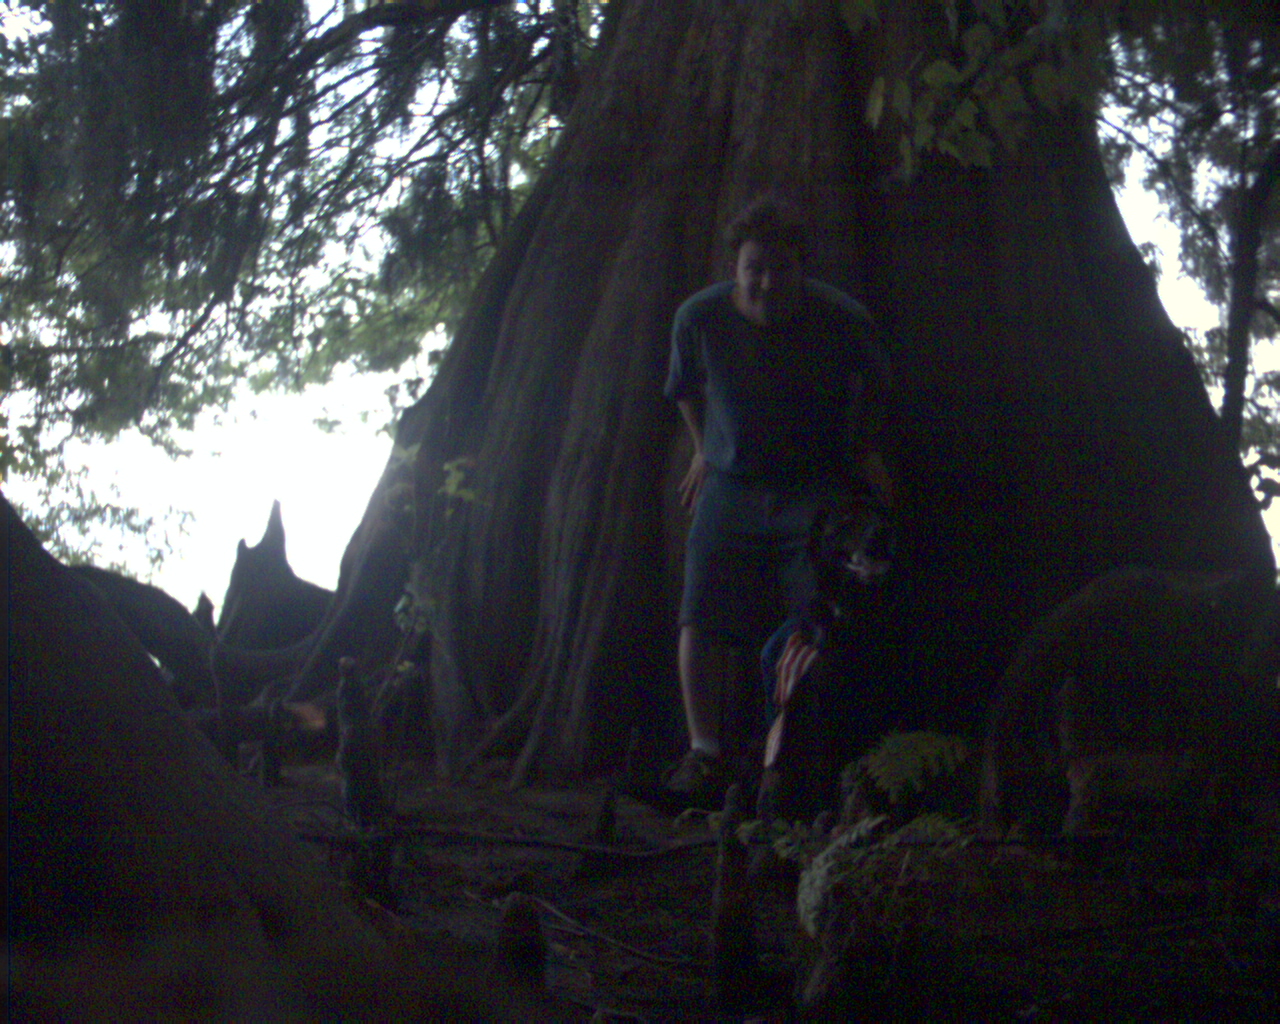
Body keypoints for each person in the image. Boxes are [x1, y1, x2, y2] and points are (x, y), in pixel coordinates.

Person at [662, 195, 891, 804]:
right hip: (730, 487)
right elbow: (683, 387)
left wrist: (862, 452)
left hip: (811, 490)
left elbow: (878, 385)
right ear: (735, 268)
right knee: (699, 613)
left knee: (814, 621)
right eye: (754, 269)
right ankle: (704, 753)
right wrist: (702, 450)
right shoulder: (700, 318)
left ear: (802, 269)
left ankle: (790, 761)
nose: (767, 282)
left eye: (781, 269)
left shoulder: (842, 319)